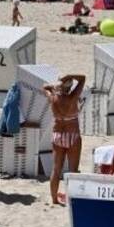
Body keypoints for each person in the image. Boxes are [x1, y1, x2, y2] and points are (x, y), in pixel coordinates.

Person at [43, 75, 85, 205]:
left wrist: (55, 87)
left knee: (56, 169)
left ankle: (54, 199)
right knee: (73, 170)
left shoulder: (53, 98)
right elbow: (83, 78)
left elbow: (45, 86)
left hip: (58, 135)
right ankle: (71, 199)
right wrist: (70, 76)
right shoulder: (73, 98)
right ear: (69, 88)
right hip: (72, 135)